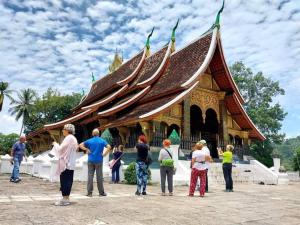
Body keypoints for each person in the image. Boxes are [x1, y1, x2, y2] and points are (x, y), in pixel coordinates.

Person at [79, 128, 112, 197]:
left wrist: (86, 149)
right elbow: (109, 147)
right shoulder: (101, 140)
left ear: (92, 134)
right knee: (99, 176)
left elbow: (80, 145)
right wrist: (104, 154)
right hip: (99, 160)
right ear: (98, 134)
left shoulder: (89, 141)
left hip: (91, 160)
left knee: (90, 176)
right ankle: (101, 192)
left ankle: (89, 193)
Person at [52, 124, 78, 206]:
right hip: (71, 163)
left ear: (67, 130)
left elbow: (60, 149)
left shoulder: (68, 138)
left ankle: (65, 199)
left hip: (66, 163)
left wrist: (55, 144)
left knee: (65, 181)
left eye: (63, 129)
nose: (62, 131)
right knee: (68, 180)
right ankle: (66, 198)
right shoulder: (73, 138)